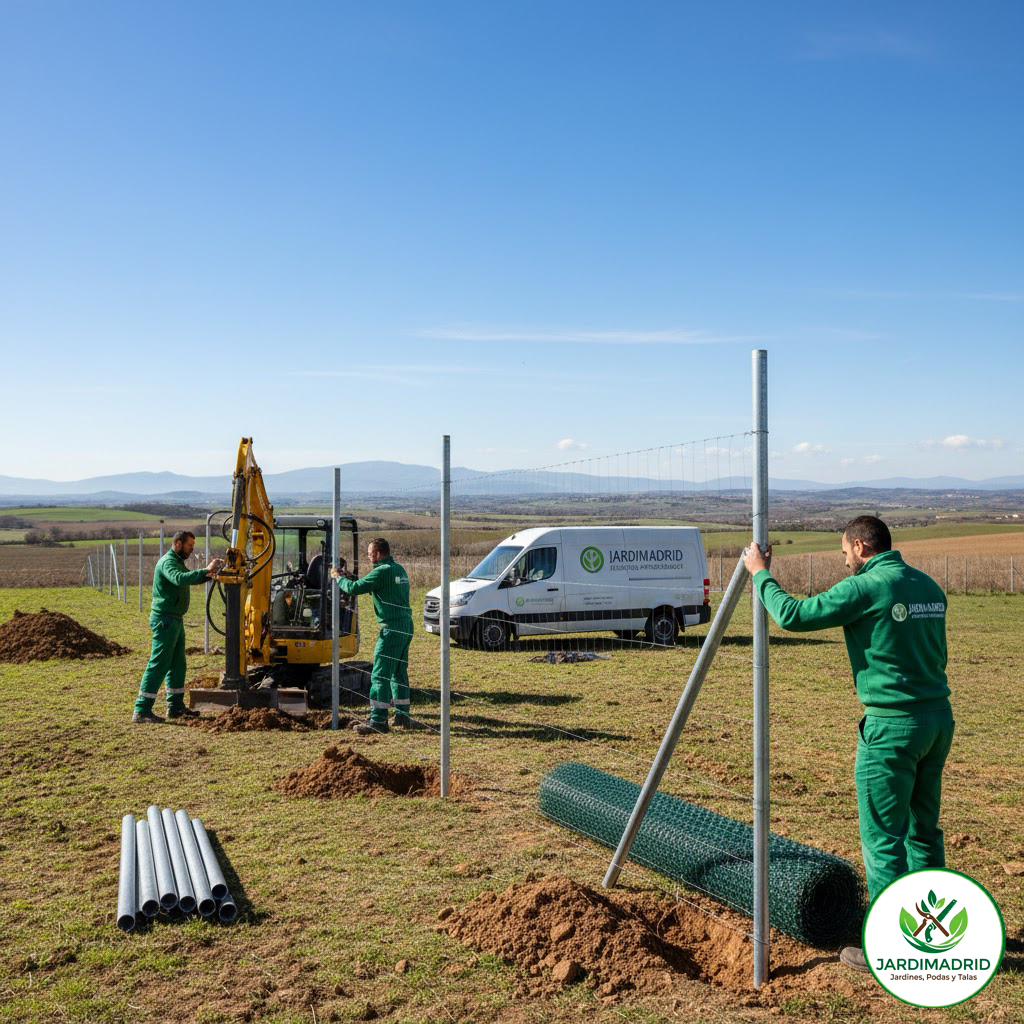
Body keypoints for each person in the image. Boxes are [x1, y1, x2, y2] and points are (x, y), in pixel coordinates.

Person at [743, 516, 954, 974]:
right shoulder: (928, 586)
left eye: (844, 553)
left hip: (891, 729)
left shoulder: (866, 586)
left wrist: (760, 574)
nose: (844, 563)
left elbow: (793, 616)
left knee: (883, 840)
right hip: (937, 720)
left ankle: (889, 946)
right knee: (923, 832)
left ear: (860, 546)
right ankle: (934, 934)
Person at [132, 531, 223, 724]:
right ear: (178, 544)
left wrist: (208, 574)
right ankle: (142, 710)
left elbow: (187, 577)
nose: (191, 550)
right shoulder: (168, 562)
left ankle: (175, 707)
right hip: (165, 620)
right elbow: (180, 578)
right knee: (159, 663)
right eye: (189, 546)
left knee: (177, 664)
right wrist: (205, 570)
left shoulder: (177, 561)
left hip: (174, 619)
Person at [330, 538, 414, 734]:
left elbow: (354, 588)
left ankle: (378, 721)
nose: (368, 557)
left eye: (369, 554)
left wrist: (338, 578)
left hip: (391, 629)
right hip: (405, 625)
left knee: (380, 674)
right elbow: (378, 586)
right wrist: (351, 576)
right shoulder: (398, 569)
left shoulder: (381, 572)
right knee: (398, 672)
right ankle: (402, 716)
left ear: (377, 554)